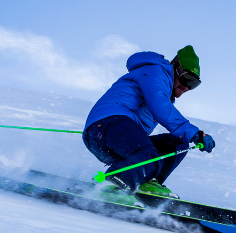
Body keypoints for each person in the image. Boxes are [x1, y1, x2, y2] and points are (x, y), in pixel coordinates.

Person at [83, 45, 216, 200]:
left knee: (177, 143)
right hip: (107, 125)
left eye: (194, 84)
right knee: (149, 156)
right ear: (175, 68)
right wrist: (195, 133)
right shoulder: (156, 72)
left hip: (117, 135)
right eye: (187, 78)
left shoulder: (166, 91)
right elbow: (160, 108)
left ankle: (147, 184)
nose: (187, 86)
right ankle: (113, 184)